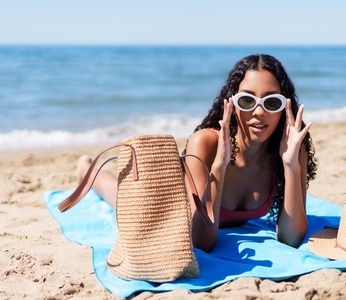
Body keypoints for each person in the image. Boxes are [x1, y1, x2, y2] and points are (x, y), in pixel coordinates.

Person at [76, 54, 317, 253]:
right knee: (119, 195)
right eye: (247, 101)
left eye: (271, 103)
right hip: (169, 201)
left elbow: (291, 237)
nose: (258, 111)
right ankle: (87, 168)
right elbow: (201, 242)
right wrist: (219, 167)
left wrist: (290, 166)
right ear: (230, 104)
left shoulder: (292, 149)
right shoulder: (205, 143)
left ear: (285, 107)